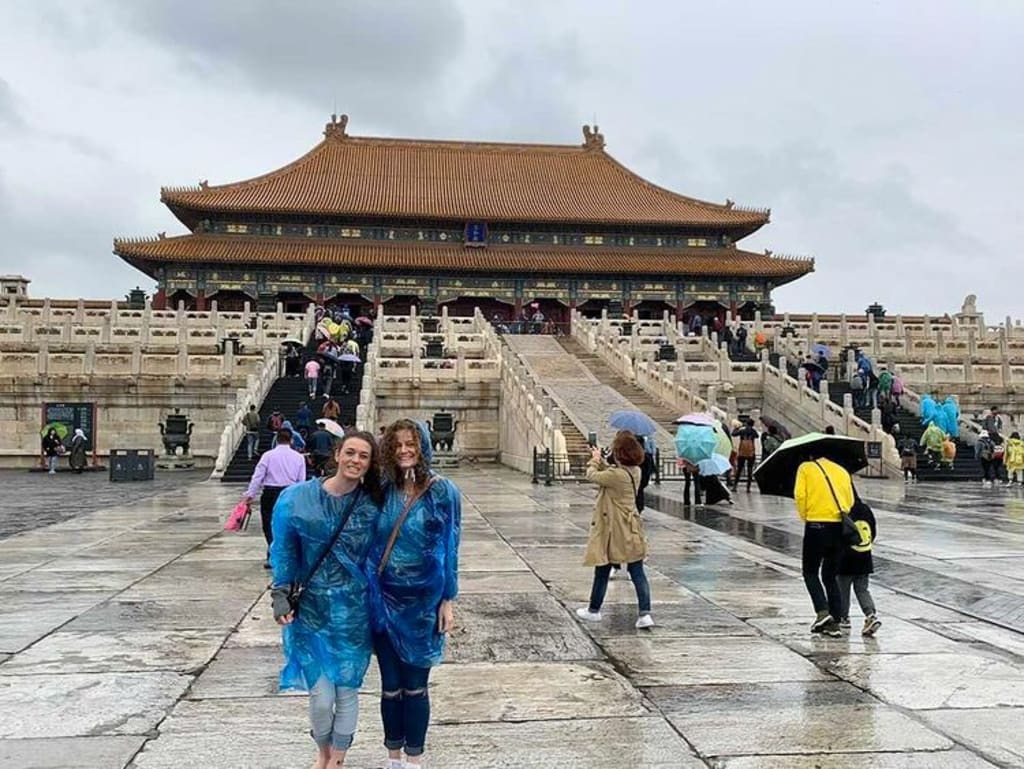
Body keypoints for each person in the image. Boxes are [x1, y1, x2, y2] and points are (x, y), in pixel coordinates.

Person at [270, 430, 385, 769]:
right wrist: (280, 592)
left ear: (370, 464)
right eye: (350, 452)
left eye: (364, 456)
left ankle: (337, 759)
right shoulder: (297, 498)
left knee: (347, 690)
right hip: (312, 610)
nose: (355, 460)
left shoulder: (373, 505)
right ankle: (323, 750)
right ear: (337, 454)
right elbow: (284, 549)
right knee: (321, 696)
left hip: (354, 611)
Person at [368, 419, 461, 768]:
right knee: (390, 685)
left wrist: (448, 599)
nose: (404, 450)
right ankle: (393, 757)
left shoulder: (442, 491)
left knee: (416, 685)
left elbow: (451, 546)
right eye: (397, 445)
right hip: (382, 599)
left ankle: (414, 759)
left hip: (423, 602)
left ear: (422, 447)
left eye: (411, 444)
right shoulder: (381, 489)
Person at [576, 431, 653, 628]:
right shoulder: (634, 471)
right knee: (637, 571)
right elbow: (611, 473)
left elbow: (592, 475)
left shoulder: (616, 475)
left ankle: (594, 610)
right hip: (631, 528)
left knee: (602, 569)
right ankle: (645, 614)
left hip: (614, 530)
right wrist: (601, 459)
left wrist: (594, 460)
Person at [794, 450, 852, 637]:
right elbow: (849, 501)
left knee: (810, 571)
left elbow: (800, 496)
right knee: (830, 575)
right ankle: (835, 620)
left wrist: (806, 517)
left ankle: (822, 612)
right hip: (839, 527)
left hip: (816, 524)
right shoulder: (841, 470)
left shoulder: (806, 468)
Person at [241, 428, 307, 567]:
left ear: (277, 440)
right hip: (290, 493)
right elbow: (301, 481)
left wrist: (250, 495)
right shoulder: (299, 457)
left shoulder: (267, 456)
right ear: (291, 440)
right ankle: (286, 555)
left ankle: (273, 554)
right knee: (288, 524)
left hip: (270, 493)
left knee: (269, 524)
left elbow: (258, 477)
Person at [836, 489, 881, 637]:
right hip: (864, 555)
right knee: (862, 589)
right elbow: (873, 531)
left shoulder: (843, 511)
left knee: (843, 588)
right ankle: (870, 614)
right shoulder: (865, 509)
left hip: (845, 557)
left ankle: (843, 617)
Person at [731, 419, 759, 491]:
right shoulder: (753, 431)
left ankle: (735, 486)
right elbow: (757, 436)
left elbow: (733, 434)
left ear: (746, 423)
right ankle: (748, 487)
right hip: (751, 452)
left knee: (739, 469)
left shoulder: (742, 430)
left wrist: (736, 428)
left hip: (742, 452)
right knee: (750, 469)